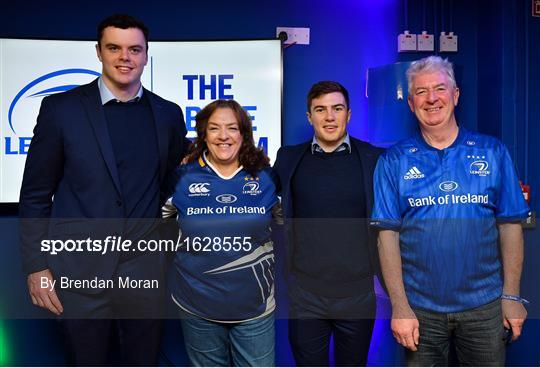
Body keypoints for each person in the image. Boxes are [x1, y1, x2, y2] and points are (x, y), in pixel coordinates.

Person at [19, 14, 189, 366]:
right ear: (98, 52)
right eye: (114, 48)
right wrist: (36, 266)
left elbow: (170, 181)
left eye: (134, 49)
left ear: (146, 55)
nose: (125, 57)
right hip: (77, 268)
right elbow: (36, 194)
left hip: (144, 269)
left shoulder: (168, 114)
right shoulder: (60, 110)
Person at [372, 55, 529, 366]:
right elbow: (385, 236)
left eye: (440, 88)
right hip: (420, 310)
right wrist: (400, 307)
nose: (431, 99)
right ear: (411, 103)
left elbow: (510, 226)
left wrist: (511, 297)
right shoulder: (394, 160)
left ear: (455, 96)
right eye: (420, 91)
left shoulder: (493, 152)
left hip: (485, 307)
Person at [273, 81, 384, 366]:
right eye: (320, 110)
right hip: (305, 296)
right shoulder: (288, 158)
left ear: (349, 114)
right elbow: (254, 193)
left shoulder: (374, 159)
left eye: (337, 109)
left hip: (357, 294)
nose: (329, 117)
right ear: (309, 117)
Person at [165, 99, 278, 366]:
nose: (224, 136)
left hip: (254, 307)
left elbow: (289, 225)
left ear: (244, 134)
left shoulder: (267, 178)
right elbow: (156, 225)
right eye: (215, 128)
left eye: (232, 128)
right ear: (203, 134)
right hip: (196, 304)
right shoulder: (182, 177)